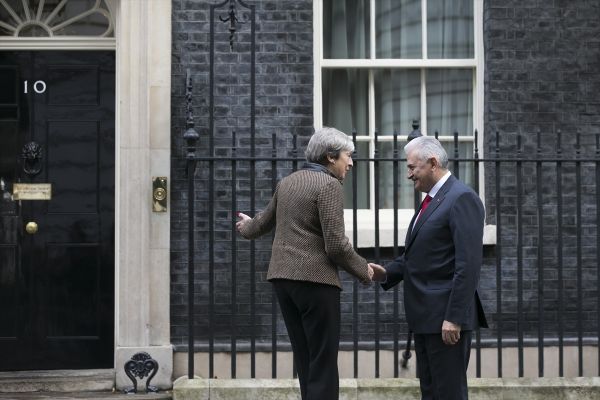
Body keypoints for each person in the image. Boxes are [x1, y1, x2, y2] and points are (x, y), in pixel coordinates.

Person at [236, 127, 375, 400]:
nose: (351, 163)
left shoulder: (287, 182)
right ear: (330, 157)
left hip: (283, 280)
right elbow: (336, 244)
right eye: (348, 156)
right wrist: (363, 270)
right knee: (323, 361)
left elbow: (262, 223)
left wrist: (246, 226)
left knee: (305, 357)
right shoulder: (328, 185)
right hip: (315, 281)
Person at [370, 135, 488, 400]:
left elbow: (468, 266)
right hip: (426, 319)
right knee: (432, 393)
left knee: (448, 394)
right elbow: (419, 256)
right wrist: (387, 273)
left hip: (446, 320)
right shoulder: (432, 201)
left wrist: (454, 318)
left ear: (433, 163)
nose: (409, 175)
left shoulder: (461, 198)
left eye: (412, 167)